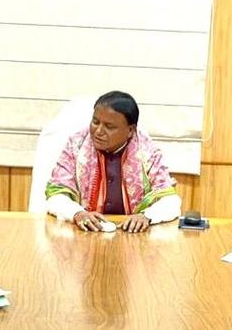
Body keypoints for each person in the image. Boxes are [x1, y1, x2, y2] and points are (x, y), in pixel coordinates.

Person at [45, 91, 181, 233]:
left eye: (109, 127)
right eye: (95, 122)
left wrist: (146, 216)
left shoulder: (147, 151)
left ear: (130, 130)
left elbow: (170, 201)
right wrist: (77, 213)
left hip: (132, 235)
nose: (98, 131)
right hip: (85, 231)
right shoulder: (76, 145)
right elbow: (56, 194)